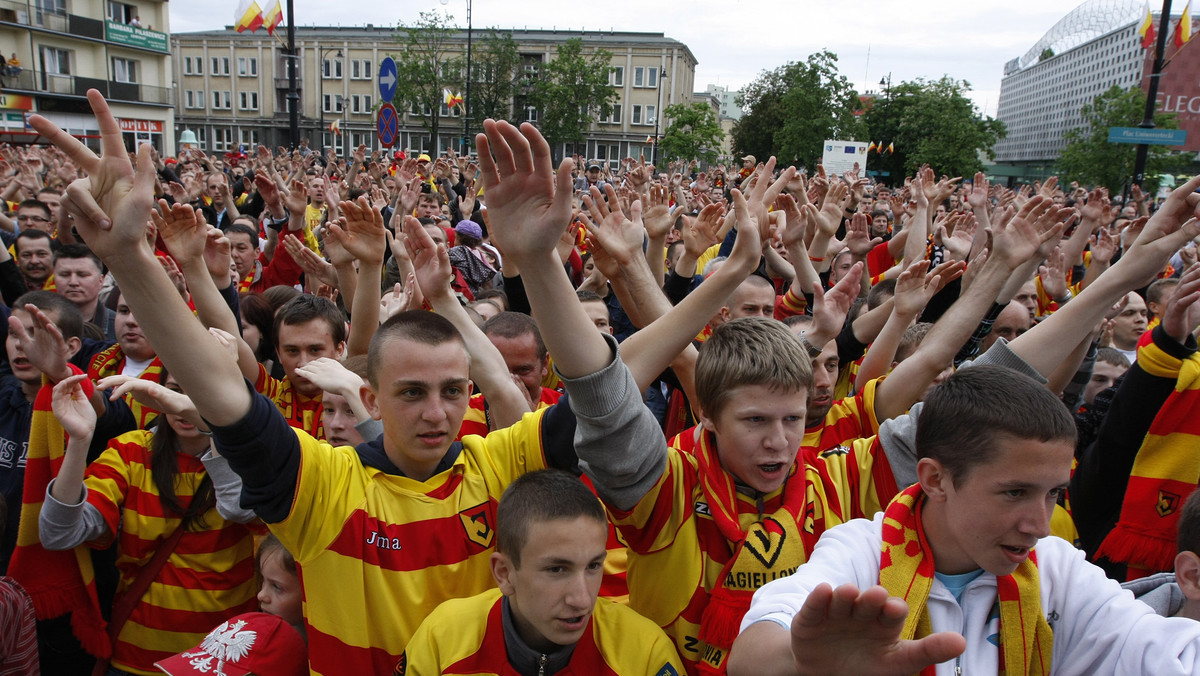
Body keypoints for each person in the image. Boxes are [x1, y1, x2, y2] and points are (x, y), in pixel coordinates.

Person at [29, 94, 654, 673]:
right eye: (412, 392)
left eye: (453, 391)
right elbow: (225, 400)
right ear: (370, 397)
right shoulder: (326, 485)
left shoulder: (501, 463)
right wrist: (131, 259)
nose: (436, 412)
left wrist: (540, 261)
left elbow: (605, 389)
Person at [729, 366, 1200, 676]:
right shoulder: (860, 552)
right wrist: (801, 662)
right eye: (1015, 492)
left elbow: (1163, 650)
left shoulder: (1058, 568)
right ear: (935, 479)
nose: (1040, 523)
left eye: (1054, 493)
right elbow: (751, 654)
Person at [40, 370, 261, 674]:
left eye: (201, 391)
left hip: (223, 656)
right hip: (135, 656)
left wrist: (214, 429)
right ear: (157, 392)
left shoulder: (253, 453)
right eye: (175, 390)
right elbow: (58, 534)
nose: (184, 402)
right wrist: (79, 440)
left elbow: (239, 509)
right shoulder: (130, 451)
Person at [397, 470, 684, 675]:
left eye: (594, 566)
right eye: (557, 569)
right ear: (504, 573)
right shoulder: (442, 638)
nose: (582, 599)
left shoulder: (646, 653)